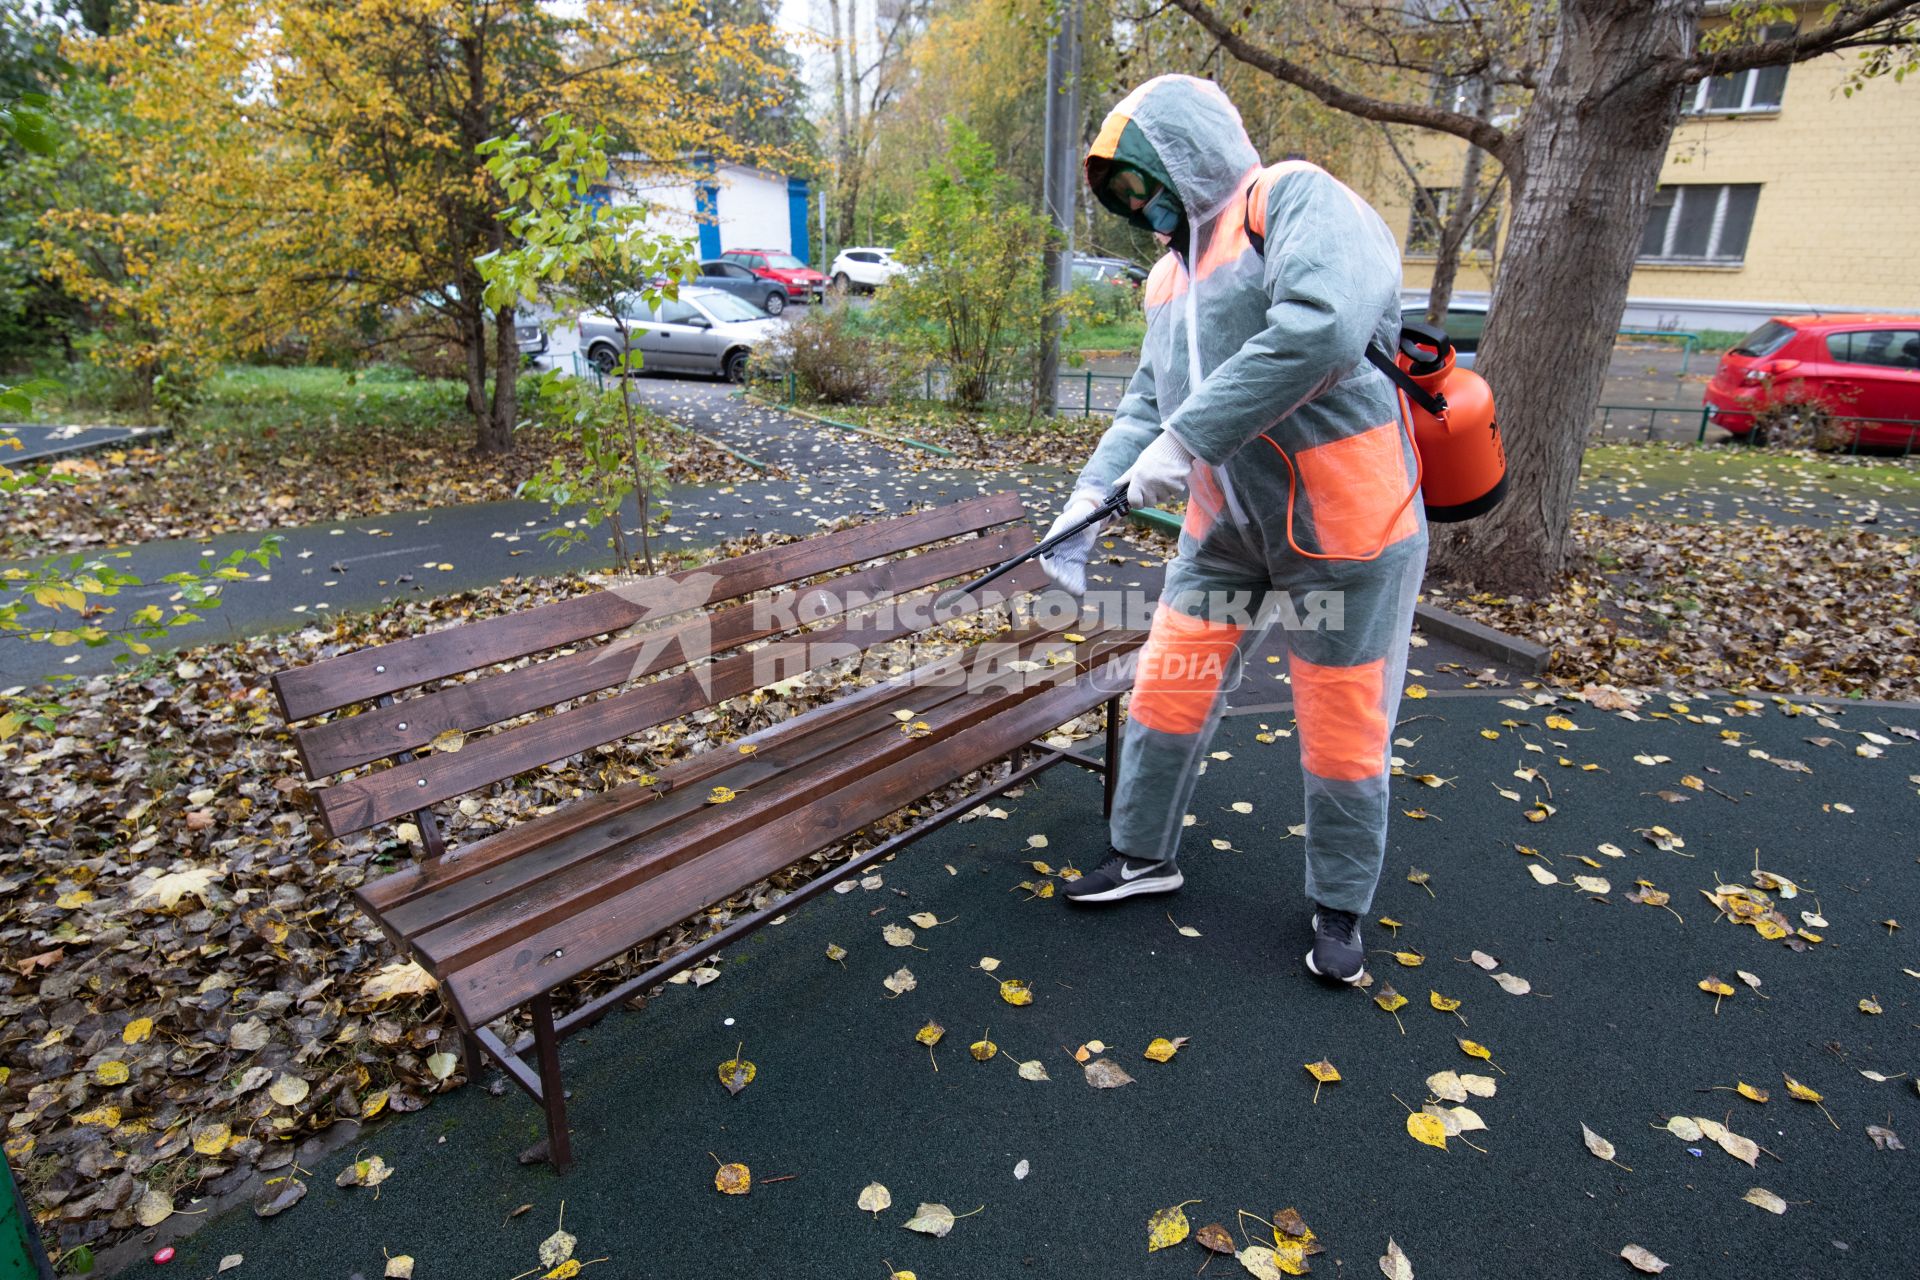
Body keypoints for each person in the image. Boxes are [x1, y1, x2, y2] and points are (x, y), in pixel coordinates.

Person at [1040, 74, 1425, 986]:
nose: (1141, 202)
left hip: (1346, 529)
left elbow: (1323, 328)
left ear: (1191, 148)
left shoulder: (1290, 200)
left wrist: (1187, 438)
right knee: (1166, 689)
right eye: (1122, 192)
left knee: (1340, 722)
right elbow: (1147, 401)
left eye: (1146, 177)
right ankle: (1142, 855)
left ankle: (1340, 906)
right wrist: (1088, 500)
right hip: (1225, 531)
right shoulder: (1168, 277)